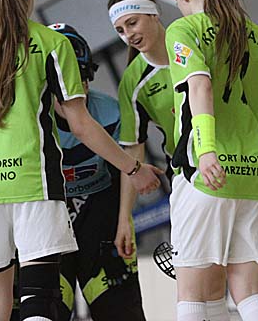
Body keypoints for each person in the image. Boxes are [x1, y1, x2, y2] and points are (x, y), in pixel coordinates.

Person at [0, 0, 161, 321]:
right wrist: (134, 168)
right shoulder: (51, 44)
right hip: (34, 185)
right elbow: (81, 125)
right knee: (39, 298)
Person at [165, 0, 258, 321]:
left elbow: (200, 87)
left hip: (206, 175)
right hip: (256, 174)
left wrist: (206, 151)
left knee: (191, 293)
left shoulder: (183, 30)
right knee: (249, 293)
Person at [48, 23, 146, 320]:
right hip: (49, 219)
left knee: (120, 310)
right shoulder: (32, 121)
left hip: (100, 212)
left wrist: (125, 220)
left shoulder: (111, 112)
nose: (75, 91)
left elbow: (126, 171)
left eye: (81, 79)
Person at [106, 0, 175, 262]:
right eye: (120, 30)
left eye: (132, 23)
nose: (128, 35)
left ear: (153, 14)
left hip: (236, 162)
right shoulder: (133, 81)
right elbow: (133, 148)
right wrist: (125, 218)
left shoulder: (194, 45)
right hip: (188, 177)